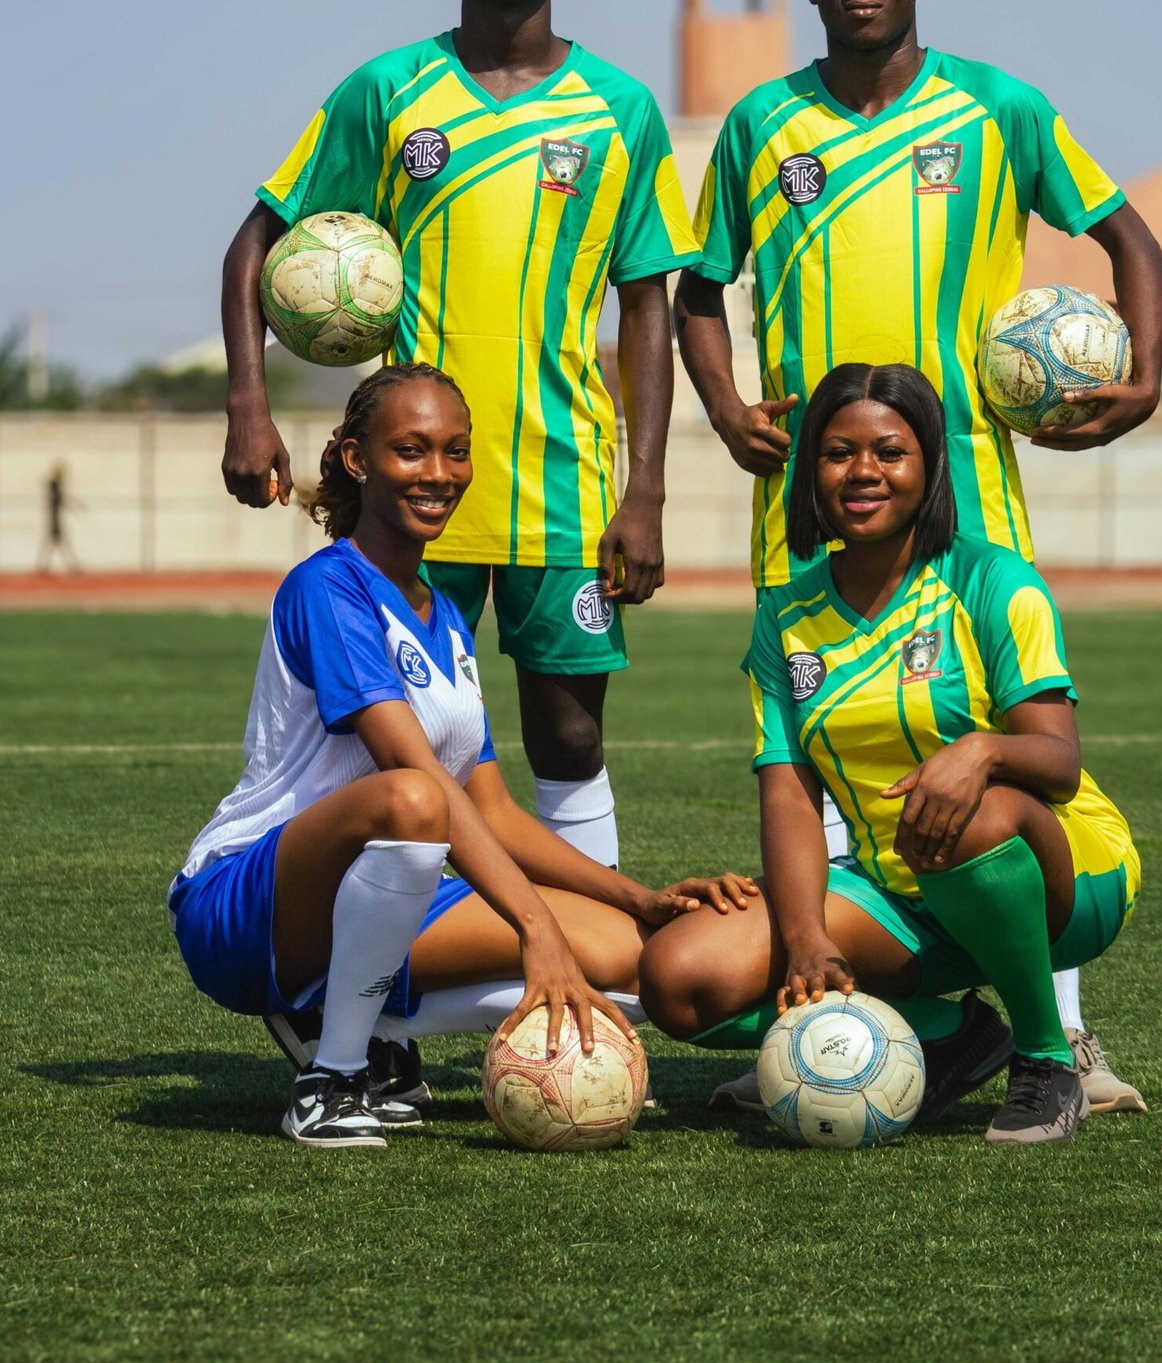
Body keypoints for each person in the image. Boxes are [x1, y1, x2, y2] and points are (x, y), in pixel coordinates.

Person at [674, 0, 1162, 1111]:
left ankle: (1063, 1035)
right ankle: (868, 1033)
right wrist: (726, 403)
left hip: (969, 494)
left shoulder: (998, 109)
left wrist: (1144, 373)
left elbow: (1128, 239)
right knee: (836, 753)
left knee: (983, 766)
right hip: (807, 502)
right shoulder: (760, 126)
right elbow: (694, 284)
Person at [220, 0, 700, 883]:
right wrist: (248, 406)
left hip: (562, 480)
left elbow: (648, 299)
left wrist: (647, 485)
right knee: (395, 749)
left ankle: (600, 980)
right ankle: (381, 995)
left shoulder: (618, 110)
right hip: (412, 485)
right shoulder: (391, 90)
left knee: (570, 738)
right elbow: (255, 242)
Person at [170, 363, 754, 1147]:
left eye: (455, 451)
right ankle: (331, 1079)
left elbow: (494, 811)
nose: (438, 474)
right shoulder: (327, 588)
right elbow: (420, 788)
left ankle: (344, 1016)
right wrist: (535, 927)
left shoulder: (443, 616)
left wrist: (636, 898)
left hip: (380, 893)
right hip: (246, 908)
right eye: (411, 450)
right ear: (356, 459)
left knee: (640, 958)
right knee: (412, 800)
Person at [639, 363, 1140, 1145]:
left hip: (1061, 874)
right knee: (681, 978)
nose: (863, 472)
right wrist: (806, 937)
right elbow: (789, 790)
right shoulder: (786, 615)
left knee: (958, 817)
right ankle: (948, 1035)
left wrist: (979, 751)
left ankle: (1047, 1061)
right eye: (838, 453)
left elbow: (1059, 763)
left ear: (929, 467)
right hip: (896, 892)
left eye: (889, 452)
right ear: (810, 471)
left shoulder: (992, 581)